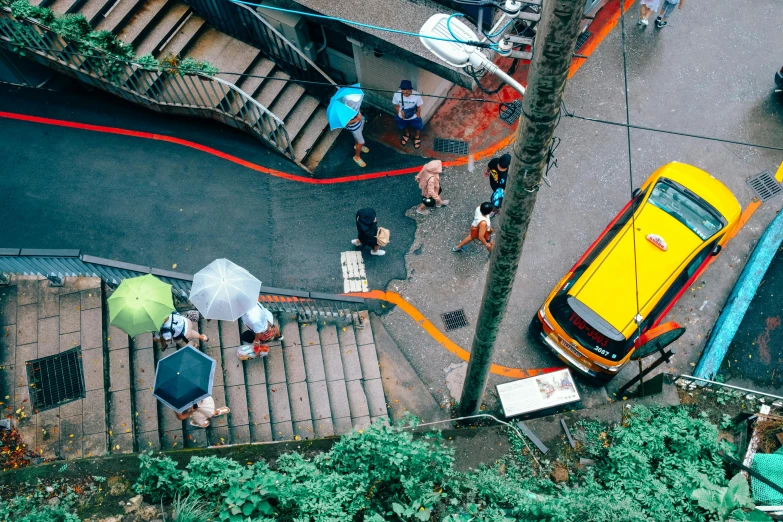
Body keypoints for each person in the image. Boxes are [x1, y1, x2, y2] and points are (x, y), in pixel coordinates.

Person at [393, 80, 424, 149]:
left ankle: (417, 136)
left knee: (417, 126)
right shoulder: (396, 94)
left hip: (414, 116)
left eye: (405, 89)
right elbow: (396, 106)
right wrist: (399, 114)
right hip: (402, 116)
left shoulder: (417, 95)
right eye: (402, 89)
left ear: (410, 89)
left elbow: (418, 107)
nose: (403, 91)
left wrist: (418, 116)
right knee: (403, 126)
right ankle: (407, 134)